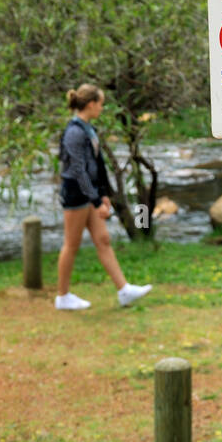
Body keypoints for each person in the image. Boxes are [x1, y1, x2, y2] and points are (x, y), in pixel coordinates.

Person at [56, 82, 153, 310]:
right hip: (76, 193)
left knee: (103, 240)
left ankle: (124, 290)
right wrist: (96, 200)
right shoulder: (73, 132)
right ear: (91, 104)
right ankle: (62, 296)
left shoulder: (89, 129)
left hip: (89, 193)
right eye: (101, 104)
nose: (102, 108)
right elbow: (78, 170)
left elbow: (97, 165)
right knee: (72, 244)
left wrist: (103, 194)